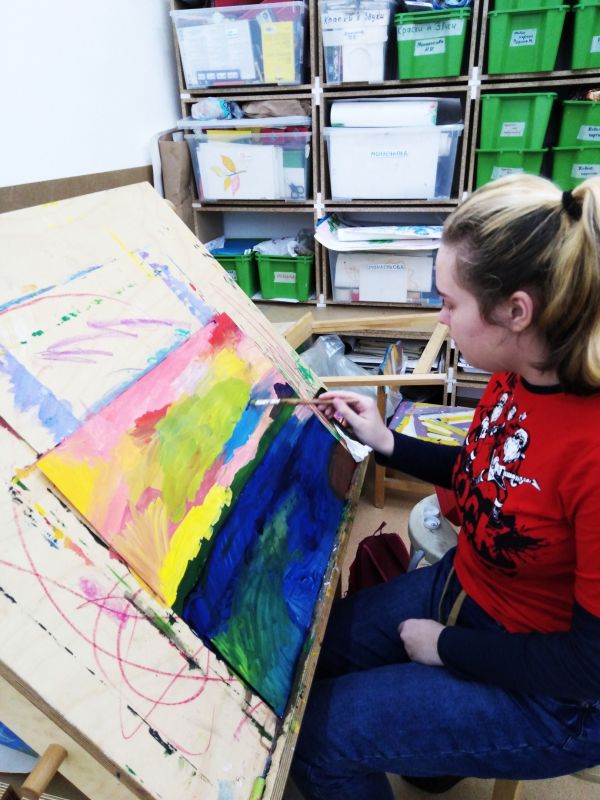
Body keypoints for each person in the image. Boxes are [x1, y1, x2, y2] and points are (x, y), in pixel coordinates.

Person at [290, 174, 600, 800]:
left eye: (450, 302)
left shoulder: (592, 451)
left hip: (558, 696)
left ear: (516, 311)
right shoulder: (519, 371)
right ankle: (435, 753)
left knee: (319, 737)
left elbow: (587, 666)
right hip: (471, 587)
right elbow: (492, 477)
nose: (440, 316)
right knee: (308, 654)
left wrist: (447, 648)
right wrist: (386, 442)